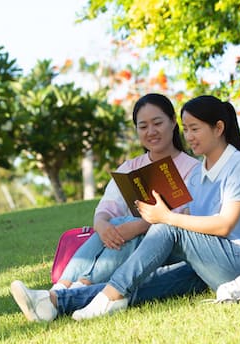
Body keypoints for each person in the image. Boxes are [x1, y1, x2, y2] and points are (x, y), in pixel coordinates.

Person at [9, 95, 240, 322]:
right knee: (146, 284)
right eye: (187, 129)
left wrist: (165, 218)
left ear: (218, 128)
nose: (189, 137)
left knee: (166, 229)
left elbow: (224, 225)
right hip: (208, 263)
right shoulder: (199, 173)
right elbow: (191, 219)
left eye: (195, 129)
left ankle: (110, 297)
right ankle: (53, 302)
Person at [52, 93, 199, 290]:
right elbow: (107, 207)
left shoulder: (194, 169)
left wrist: (139, 227)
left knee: (130, 226)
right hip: (125, 240)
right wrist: (101, 225)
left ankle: (82, 284)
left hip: (166, 246)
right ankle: (63, 286)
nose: (151, 132)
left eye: (157, 123)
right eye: (143, 126)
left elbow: (186, 218)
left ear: (173, 122)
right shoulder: (130, 167)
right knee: (116, 223)